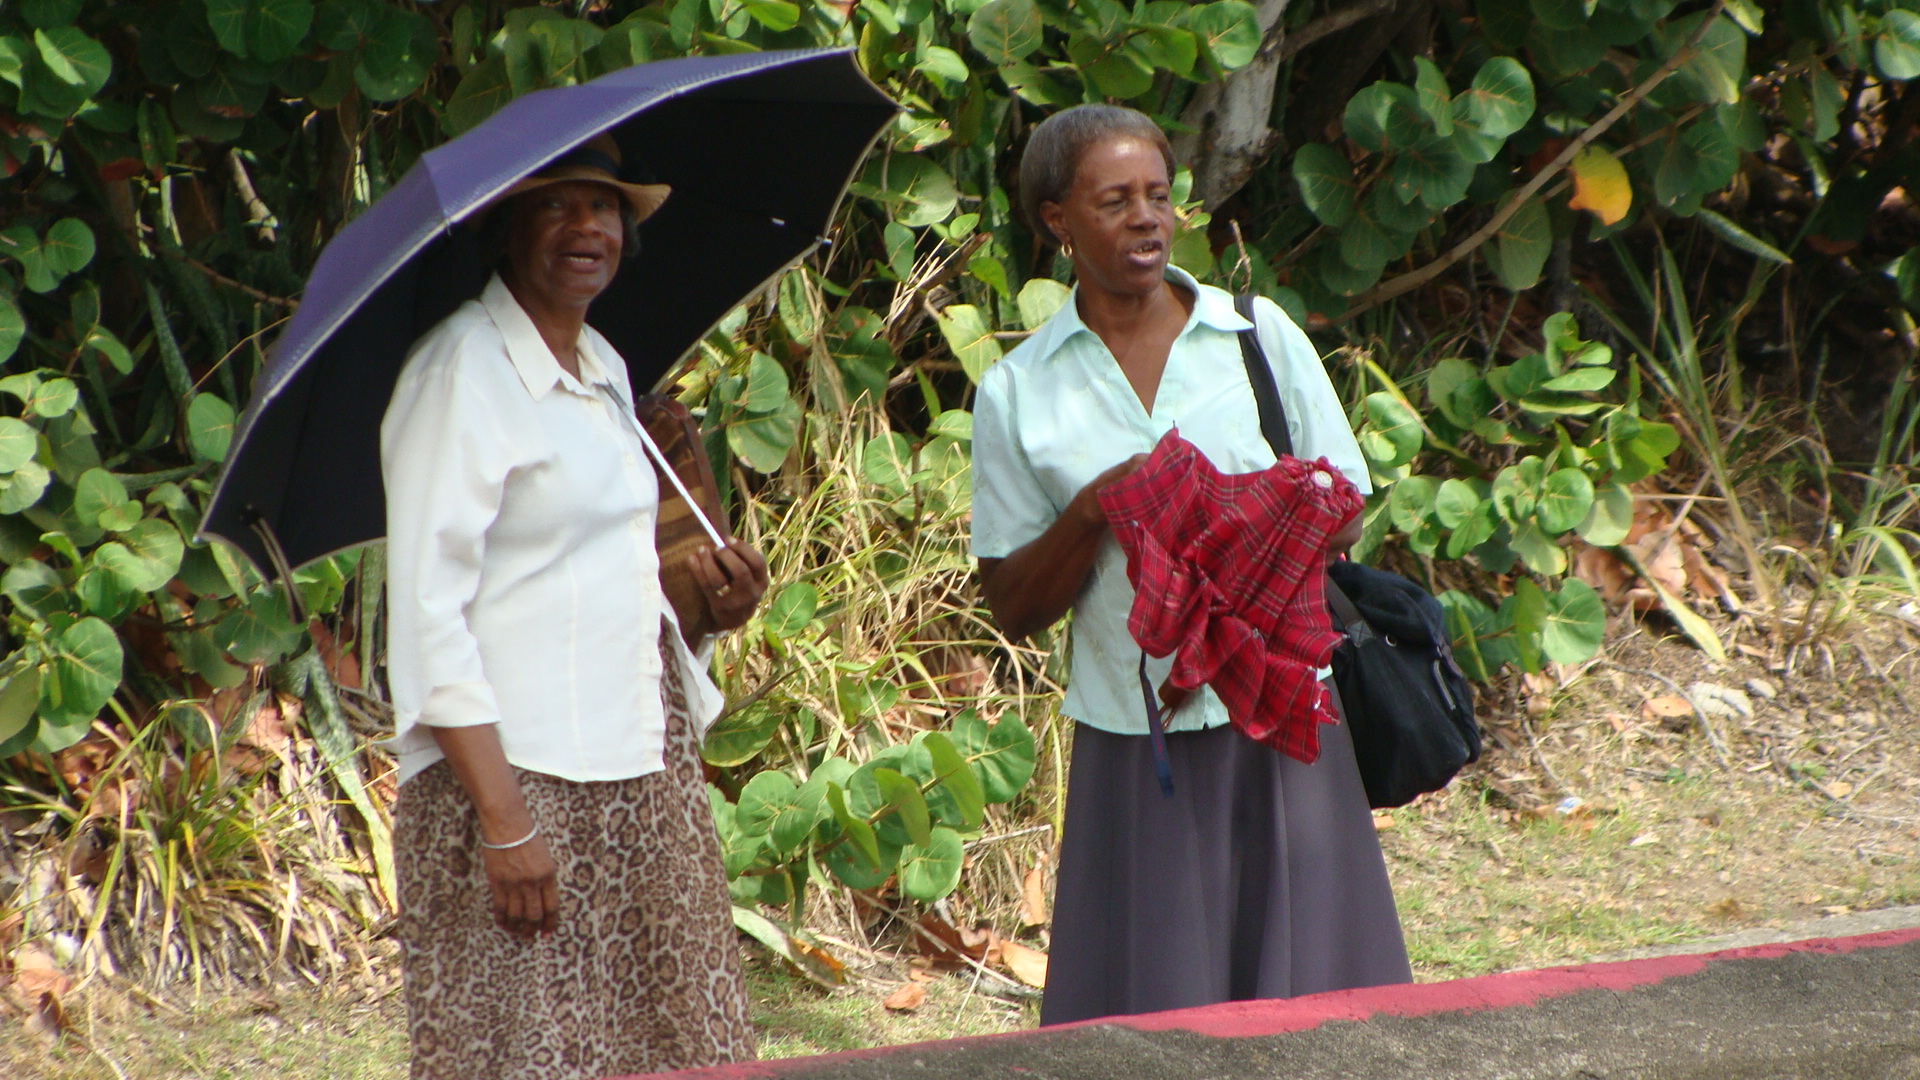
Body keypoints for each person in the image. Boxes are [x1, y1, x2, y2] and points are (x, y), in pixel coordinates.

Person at [969, 104, 1413, 1026]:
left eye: (1160, 197)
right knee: (1151, 1009)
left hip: (1288, 717)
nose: (1147, 219)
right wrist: (1099, 505)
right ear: (1057, 221)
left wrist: (1238, 518)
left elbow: (1346, 512)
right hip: (1141, 744)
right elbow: (1012, 603)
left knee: (1315, 1009)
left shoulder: (1256, 338)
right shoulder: (1020, 390)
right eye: (1116, 200)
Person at [380, 135, 767, 1080]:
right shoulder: (461, 373)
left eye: (604, 207)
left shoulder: (601, 364)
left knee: (669, 1043)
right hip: (519, 779)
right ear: (506, 229)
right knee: (531, 1050)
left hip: (640, 765)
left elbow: (607, 568)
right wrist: (507, 824)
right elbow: (429, 616)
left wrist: (711, 604)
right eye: (556, 205)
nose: (586, 226)